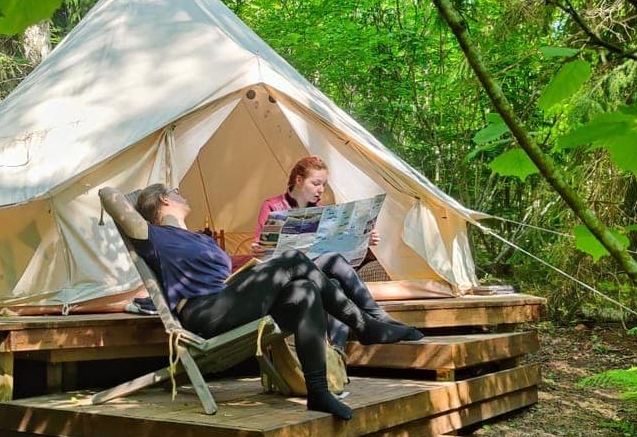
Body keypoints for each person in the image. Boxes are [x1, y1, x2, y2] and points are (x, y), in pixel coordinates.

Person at [131, 184, 420, 421]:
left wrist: (258, 260)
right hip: (204, 311)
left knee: (305, 290)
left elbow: (228, 272)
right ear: (164, 200)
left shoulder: (198, 239)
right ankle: (365, 325)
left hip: (228, 297)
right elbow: (111, 197)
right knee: (292, 260)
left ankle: (318, 392)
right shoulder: (153, 236)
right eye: (175, 191)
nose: (182, 193)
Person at [254, 155, 423, 350]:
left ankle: (338, 352)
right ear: (299, 180)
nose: (321, 190)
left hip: (313, 272)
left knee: (335, 284)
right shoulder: (272, 206)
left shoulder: (321, 211)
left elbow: (335, 246)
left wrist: (363, 240)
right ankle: (378, 317)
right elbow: (261, 252)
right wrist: (258, 248)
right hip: (285, 275)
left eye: (324, 185)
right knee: (333, 259)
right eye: (316, 183)